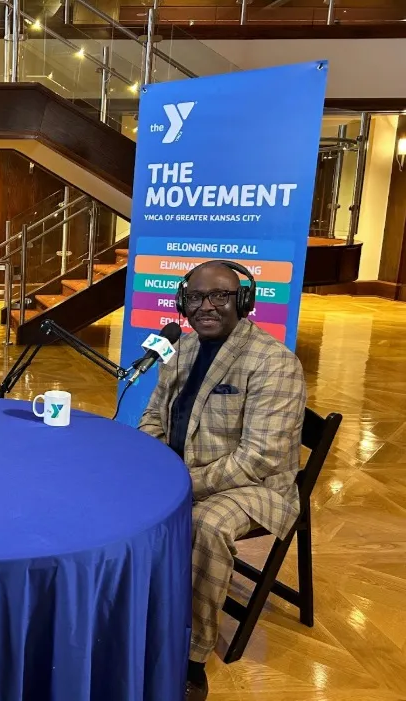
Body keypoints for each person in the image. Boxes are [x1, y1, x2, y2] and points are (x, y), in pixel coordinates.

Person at [138, 260, 306, 701]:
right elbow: (155, 415)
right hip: (182, 472)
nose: (206, 306)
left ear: (244, 302)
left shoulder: (274, 364)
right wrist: (145, 463)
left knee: (204, 526)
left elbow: (258, 459)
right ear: (182, 302)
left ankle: (191, 659)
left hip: (256, 487)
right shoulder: (183, 350)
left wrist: (179, 485)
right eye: (195, 297)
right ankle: (141, 615)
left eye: (220, 296)